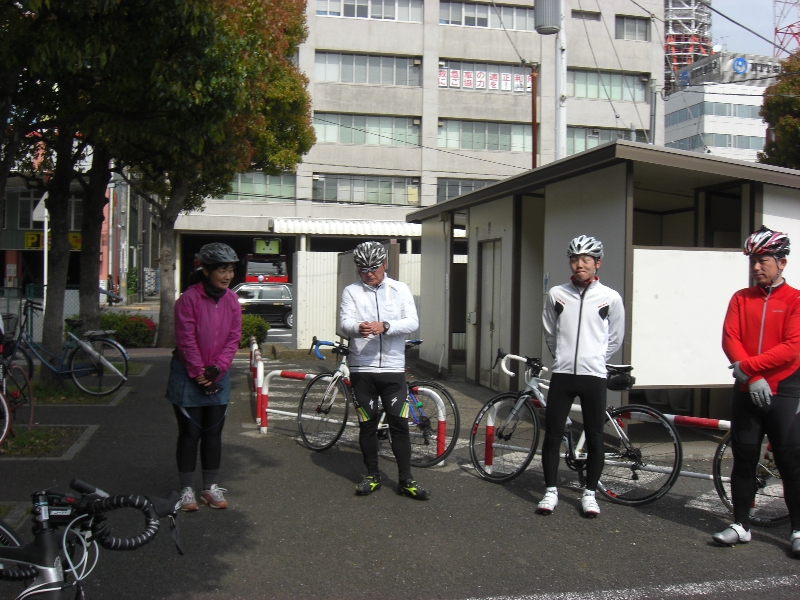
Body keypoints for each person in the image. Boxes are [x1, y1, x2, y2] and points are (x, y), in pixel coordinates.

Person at [716, 225, 800, 555]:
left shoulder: (795, 300)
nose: (755, 267)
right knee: (744, 460)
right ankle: (741, 525)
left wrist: (749, 368)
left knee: (790, 463)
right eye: (752, 260)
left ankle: (797, 530)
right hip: (746, 393)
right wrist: (752, 379)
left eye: (763, 260)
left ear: (782, 262)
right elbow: (730, 339)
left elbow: (792, 347)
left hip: (785, 392)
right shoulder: (741, 298)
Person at [538, 235, 625, 517]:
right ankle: (550, 491)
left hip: (594, 376)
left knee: (596, 436)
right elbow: (550, 332)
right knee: (552, 434)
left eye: (586, 259)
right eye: (575, 259)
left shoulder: (610, 297)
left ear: (597, 263)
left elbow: (616, 337)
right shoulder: (557, 294)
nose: (580, 265)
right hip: (563, 374)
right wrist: (562, 357)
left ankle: (589, 494)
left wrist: (596, 358)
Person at [339, 241, 429, 500]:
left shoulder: (399, 289)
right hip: (362, 368)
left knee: (399, 425)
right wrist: (358, 328)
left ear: (385, 264)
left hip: (392, 369)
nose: (369, 273)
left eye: (374, 268)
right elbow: (345, 322)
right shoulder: (351, 291)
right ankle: (372, 476)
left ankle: (406, 480)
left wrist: (386, 326)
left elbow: (412, 322)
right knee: (367, 425)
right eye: (363, 269)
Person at [166, 243, 242, 511]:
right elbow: (185, 339)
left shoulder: (231, 300)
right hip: (188, 375)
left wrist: (218, 368)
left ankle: (210, 487)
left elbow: (233, 338)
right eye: (222, 270)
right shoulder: (189, 299)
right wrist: (199, 372)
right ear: (206, 270)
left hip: (218, 375)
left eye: (230, 270)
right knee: (190, 433)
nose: (227, 276)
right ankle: (186, 489)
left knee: (213, 433)